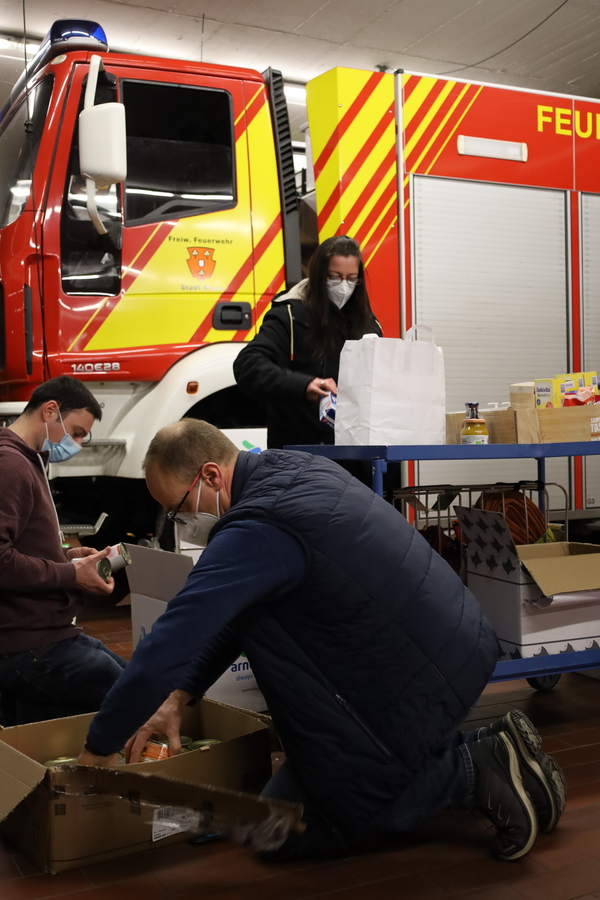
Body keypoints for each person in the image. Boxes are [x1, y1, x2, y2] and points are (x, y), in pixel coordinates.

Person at [78, 419, 566, 862]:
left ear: (210, 476)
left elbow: (173, 638)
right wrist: (177, 696)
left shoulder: (257, 527)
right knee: (281, 803)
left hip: (417, 681)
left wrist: (99, 748)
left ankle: (473, 770)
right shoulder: (293, 469)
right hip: (452, 648)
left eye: (179, 509)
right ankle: (495, 750)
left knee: (279, 828)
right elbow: (229, 616)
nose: (180, 524)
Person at [0, 375, 127, 724]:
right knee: (136, 696)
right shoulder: (10, 465)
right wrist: (71, 574)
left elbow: (19, 542)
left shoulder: (28, 460)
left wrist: (66, 555)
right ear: (50, 410)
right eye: (76, 432)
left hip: (48, 633)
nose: (78, 444)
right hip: (26, 643)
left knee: (137, 679)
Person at [233, 235, 382, 448]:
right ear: (318, 275)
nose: (343, 287)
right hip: (300, 453)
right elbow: (248, 365)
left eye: (351, 279)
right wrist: (305, 385)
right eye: (335, 277)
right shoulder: (290, 316)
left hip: (355, 452)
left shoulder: (368, 324)